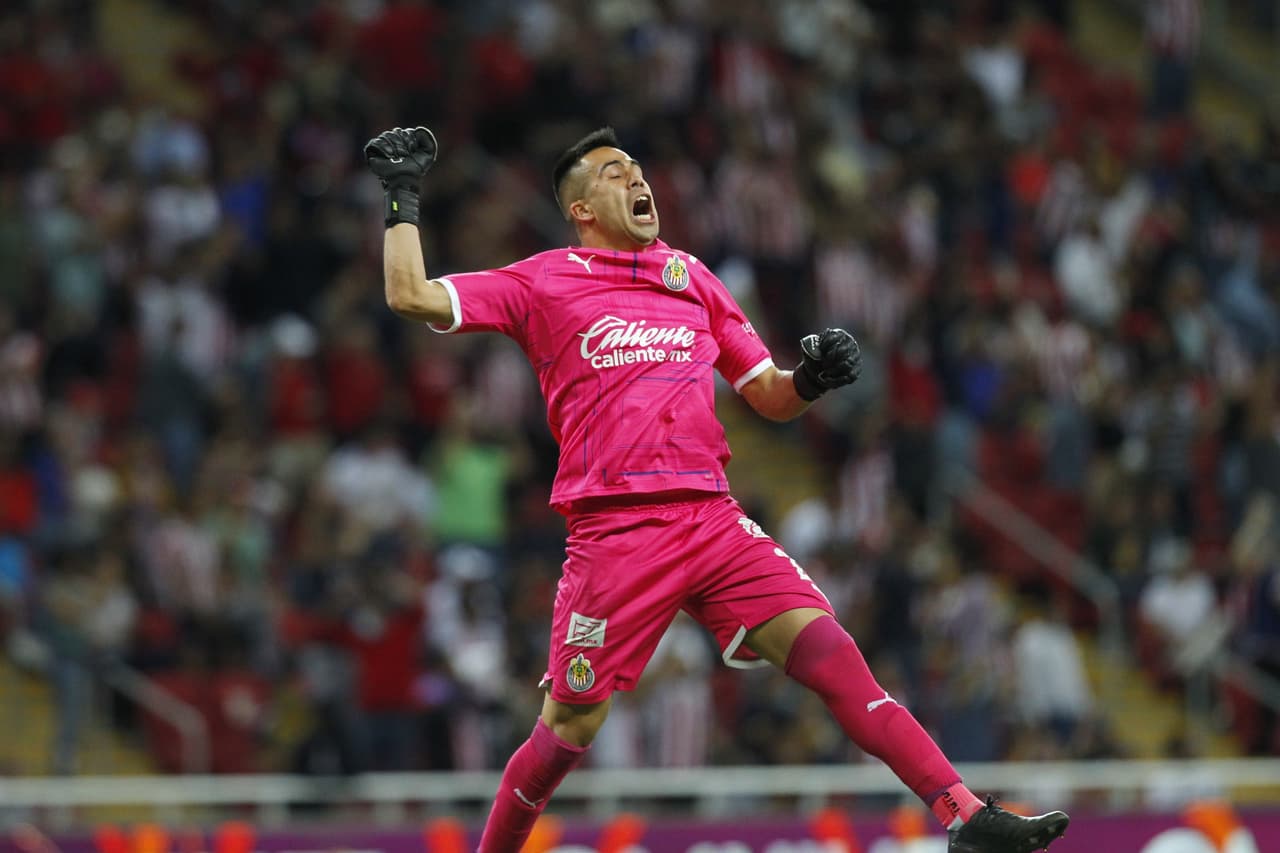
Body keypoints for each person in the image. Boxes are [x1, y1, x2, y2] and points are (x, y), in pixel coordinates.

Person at [364, 125, 1071, 853]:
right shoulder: (543, 280)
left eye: (638, 168)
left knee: (832, 654)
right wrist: (402, 194)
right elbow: (410, 295)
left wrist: (811, 378)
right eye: (614, 173)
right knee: (569, 726)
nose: (637, 179)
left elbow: (767, 393)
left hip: (711, 516)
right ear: (581, 209)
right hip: (616, 533)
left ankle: (964, 814)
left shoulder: (691, 277)